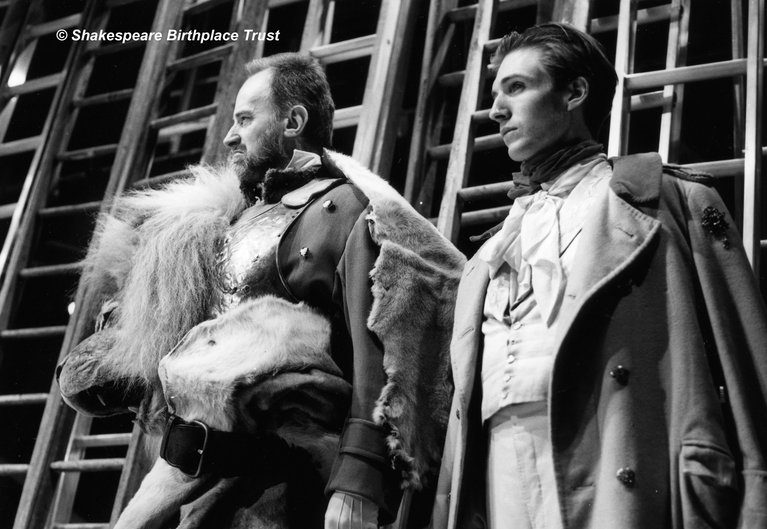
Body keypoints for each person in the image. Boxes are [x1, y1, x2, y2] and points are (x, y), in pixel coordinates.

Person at [58, 53, 463, 528]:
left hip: (291, 483)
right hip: (196, 475)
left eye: (246, 119)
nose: (231, 136)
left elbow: (379, 357)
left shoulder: (344, 210)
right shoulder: (232, 219)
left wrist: (358, 483)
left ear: (293, 121)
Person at [431, 22, 767, 529]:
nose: (496, 110)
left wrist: (760, 499)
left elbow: (750, 371)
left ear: (575, 92)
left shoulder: (668, 202)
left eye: (517, 87)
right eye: (496, 93)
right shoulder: (497, 246)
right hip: (500, 464)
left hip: (616, 450)